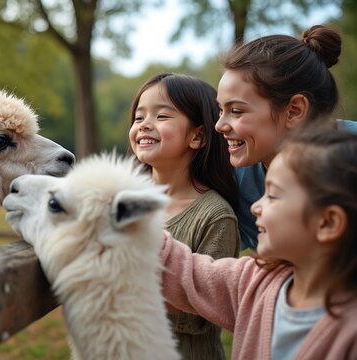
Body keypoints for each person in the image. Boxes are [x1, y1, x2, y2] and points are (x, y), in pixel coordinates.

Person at [160, 128, 357, 359]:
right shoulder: (253, 281)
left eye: (272, 195)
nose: (255, 207)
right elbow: (185, 273)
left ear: (328, 222)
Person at [215, 24, 357, 251]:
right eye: (220, 110)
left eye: (237, 111)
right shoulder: (238, 179)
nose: (219, 125)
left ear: (294, 110)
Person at [129, 73, 240, 359]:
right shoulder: (122, 201)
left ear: (197, 136)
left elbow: (206, 307)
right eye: (139, 117)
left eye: (162, 116)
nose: (144, 125)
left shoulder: (215, 216)